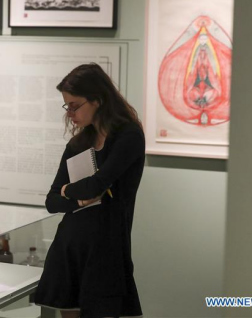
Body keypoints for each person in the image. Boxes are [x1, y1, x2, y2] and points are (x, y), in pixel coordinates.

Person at [34, 63, 145, 318]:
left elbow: (97, 184)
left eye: (74, 105)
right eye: (67, 106)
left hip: (106, 249)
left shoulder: (128, 136)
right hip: (70, 245)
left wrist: (67, 191)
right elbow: (51, 201)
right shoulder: (79, 142)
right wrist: (80, 200)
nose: (70, 112)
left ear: (98, 99)